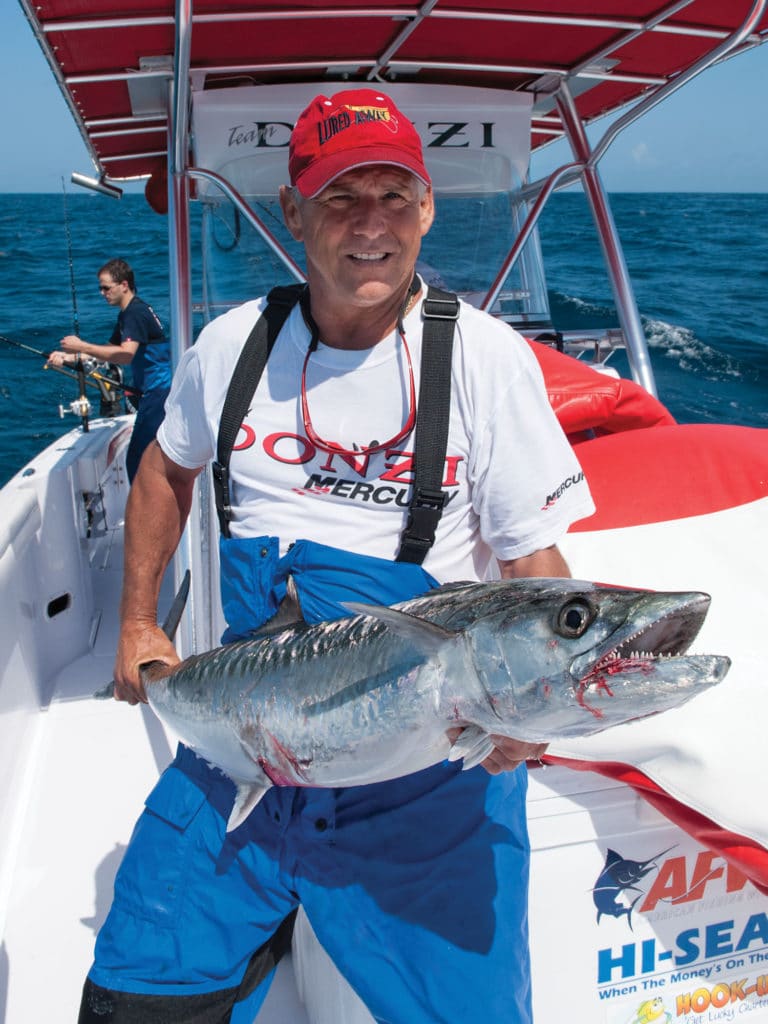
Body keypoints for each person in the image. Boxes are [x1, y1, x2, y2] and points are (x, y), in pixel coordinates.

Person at [78, 89, 595, 1023]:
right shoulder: (233, 345)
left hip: (424, 771)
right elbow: (162, 471)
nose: (371, 224)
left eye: (395, 196)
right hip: (244, 733)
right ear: (292, 211)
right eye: (339, 196)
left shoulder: (485, 359)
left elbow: (533, 566)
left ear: (428, 209)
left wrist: (533, 710)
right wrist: (139, 623)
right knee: (137, 992)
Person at [47, 258, 171, 481]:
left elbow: (125, 354)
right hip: (153, 392)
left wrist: (81, 345)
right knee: (144, 457)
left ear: (124, 285)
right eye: (100, 288)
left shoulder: (134, 313)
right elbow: (109, 349)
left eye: (106, 288)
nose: (102, 293)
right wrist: (67, 357)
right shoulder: (130, 313)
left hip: (158, 392)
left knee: (138, 459)